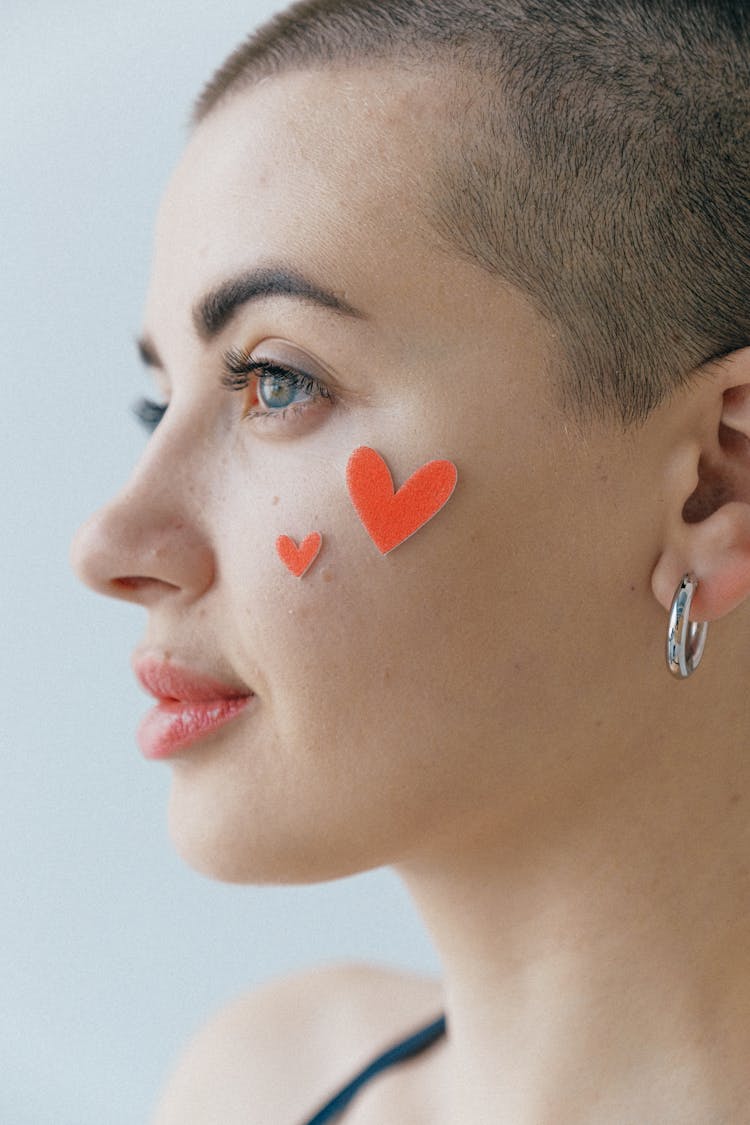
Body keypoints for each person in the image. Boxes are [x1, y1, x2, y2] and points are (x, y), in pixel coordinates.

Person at [70, 0, 750, 1121]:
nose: (110, 548)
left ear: (712, 484)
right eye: (160, 402)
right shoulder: (259, 1084)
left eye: (277, 381)